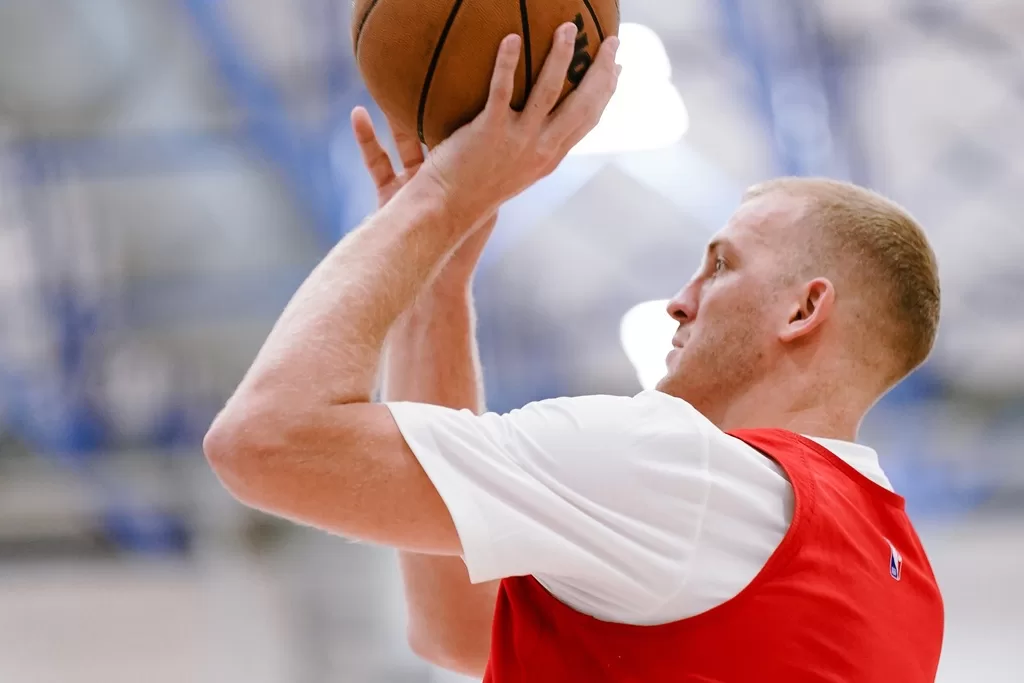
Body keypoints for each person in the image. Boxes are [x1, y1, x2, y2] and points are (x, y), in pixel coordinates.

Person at [204, 23, 945, 683]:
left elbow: (265, 439)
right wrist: (436, 287)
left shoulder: (678, 469)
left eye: (720, 265)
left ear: (804, 309)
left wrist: (439, 200)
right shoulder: (909, 581)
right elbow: (458, 630)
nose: (678, 300)